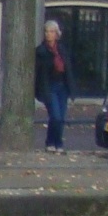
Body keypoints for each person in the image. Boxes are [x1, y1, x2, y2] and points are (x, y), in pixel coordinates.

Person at [35, 19, 72, 151]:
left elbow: (68, 68)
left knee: (60, 118)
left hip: (62, 87)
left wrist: (71, 87)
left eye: (51, 32)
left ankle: (54, 143)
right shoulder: (41, 51)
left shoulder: (62, 49)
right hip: (49, 86)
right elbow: (38, 73)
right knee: (55, 116)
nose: (48, 34)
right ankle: (55, 143)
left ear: (57, 34)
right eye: (46, 31)